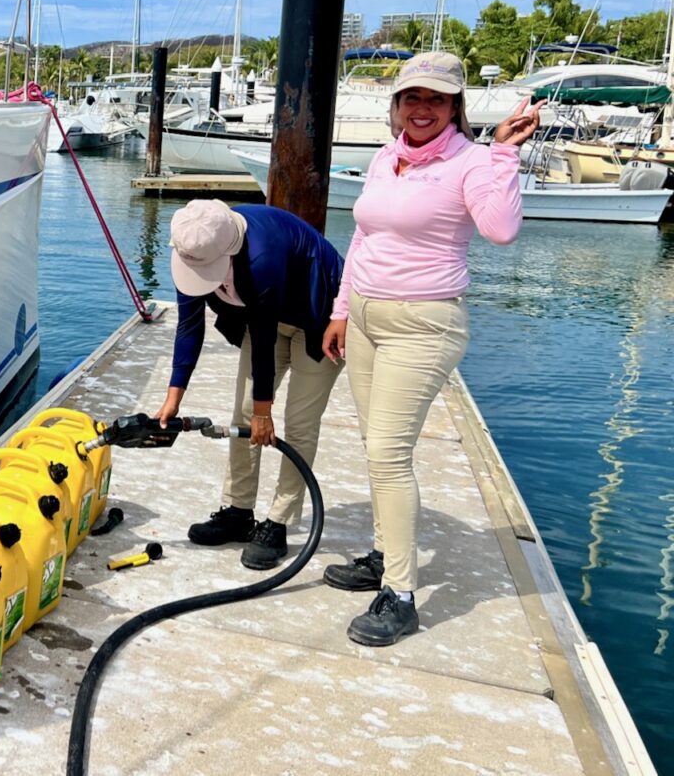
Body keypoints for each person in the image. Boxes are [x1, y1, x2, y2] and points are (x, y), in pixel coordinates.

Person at [320, 51, 542, 646]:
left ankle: (401, 594)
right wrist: (342, 311)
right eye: (412, 97)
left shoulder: (471, 161)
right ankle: (383, 551)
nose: (422, 109)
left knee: (389, 453)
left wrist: (505, 154)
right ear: (395, 106)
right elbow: (363, 237)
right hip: (366, 318)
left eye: (436, 100)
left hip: (424, 325)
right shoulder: (385, 158)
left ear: (454, 109)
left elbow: (500, 229)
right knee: (375, 446)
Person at [157, 199, 345, 570]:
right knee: (242, 411)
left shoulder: (261, 254)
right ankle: (238, 511)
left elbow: (261, 335)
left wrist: (265, 413)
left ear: (228, 252)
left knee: (299, 422)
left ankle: (278, 522)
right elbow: (189, 326)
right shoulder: (194, 245)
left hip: (319, 316)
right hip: (270, 318)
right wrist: (172, 398)